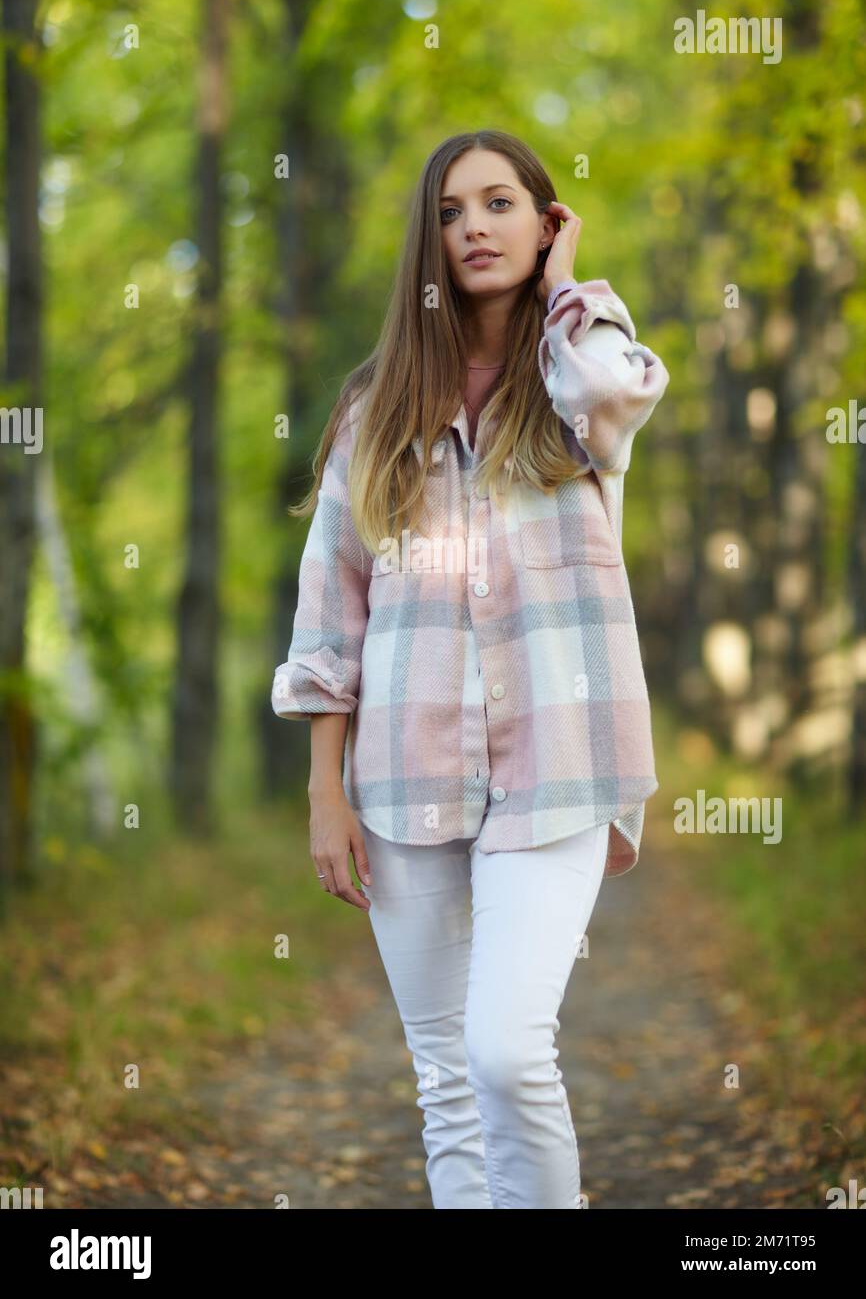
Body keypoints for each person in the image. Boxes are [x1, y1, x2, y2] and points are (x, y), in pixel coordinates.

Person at [271, 129, 670, 1209]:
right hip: (403, 777)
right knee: (446, 1083)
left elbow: (612, 382)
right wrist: (324, 790)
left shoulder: (579, 378)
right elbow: (332, 602)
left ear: (541, 226)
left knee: (503, 1051)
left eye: (500, 205)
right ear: (428, 241)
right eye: (450, 212)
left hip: (559, 766)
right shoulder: (375, 408)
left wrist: (569, 284)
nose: (472, 228)